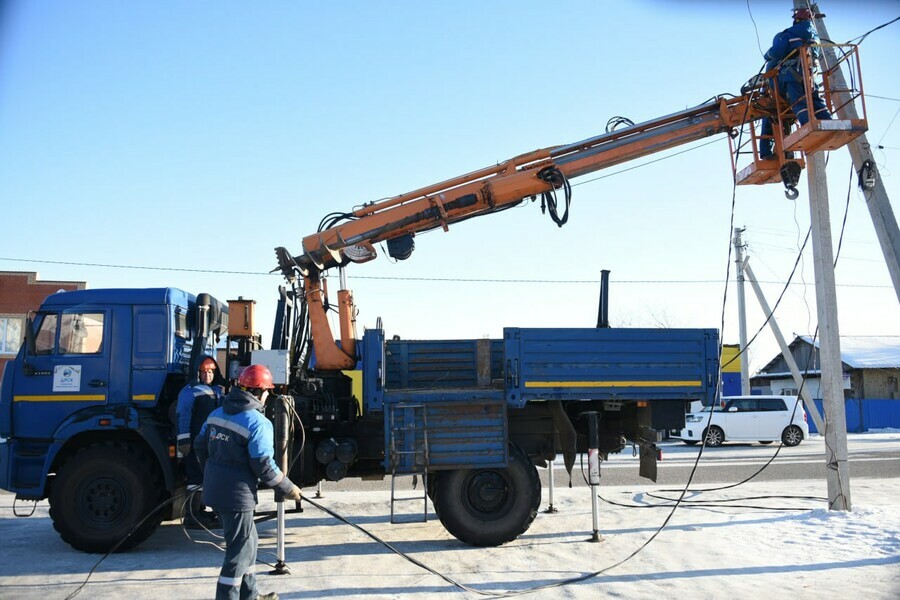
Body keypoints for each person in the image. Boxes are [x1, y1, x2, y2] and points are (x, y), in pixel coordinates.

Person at [194, 364, 302, 600]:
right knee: (238, 553)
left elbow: (200, 446)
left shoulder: (217, 414)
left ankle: (250, 595)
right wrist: (288, 488)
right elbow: (263, 466)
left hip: (217, 491)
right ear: (260, 392)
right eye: (267, 392)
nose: (267, 397)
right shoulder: (258, 423)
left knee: (249, 543)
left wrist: (213, 471)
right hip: (236, 496)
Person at [759, 7, 832, 159]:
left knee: (798, 101)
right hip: (810, 75)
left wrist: (768, 55)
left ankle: (807, 125)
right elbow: (816, 54)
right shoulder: (815, 36)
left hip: (792, 76)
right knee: (815, 99)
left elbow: (777, 51)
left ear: (796, 19)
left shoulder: (789, 34)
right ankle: (828, 121)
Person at [176, 355, 225, 528]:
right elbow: (183, 416)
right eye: (204, 372)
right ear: (198, 372)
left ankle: (202, 511)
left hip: (211, 443)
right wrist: (184, 440)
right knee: (196, 477)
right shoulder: (189, 391)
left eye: (211, 371)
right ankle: (192, 516)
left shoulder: (219, 390)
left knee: (207, 477)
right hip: (196, 443)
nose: (208, 375)